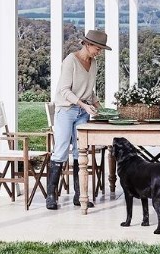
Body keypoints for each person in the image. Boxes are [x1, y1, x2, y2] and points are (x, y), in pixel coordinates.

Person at [46, 29, 111, 210]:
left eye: (101, 49)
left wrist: (100, 108)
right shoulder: (70, 61)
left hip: (82, 112)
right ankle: (51, 196)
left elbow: (90, 91)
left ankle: (79, 196)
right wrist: (83, 105)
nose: (99, 52)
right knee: (60, 151)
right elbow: (64, 91)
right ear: (87, 44)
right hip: (66, 111)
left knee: (80, 153)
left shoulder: (94, 63)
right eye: (98, 48)